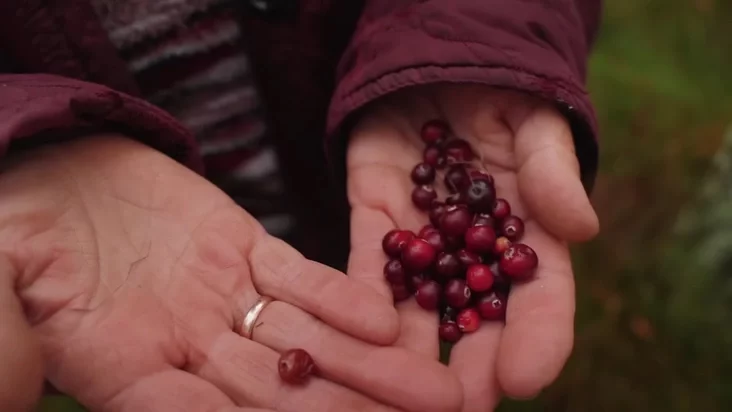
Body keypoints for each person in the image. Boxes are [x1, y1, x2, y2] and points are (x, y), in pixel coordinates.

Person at [0, 0, 602, 411]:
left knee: (337, 302)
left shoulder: (422, 219)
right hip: (152, 235)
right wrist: (19, 156)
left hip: (330, 194)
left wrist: (474, 44)